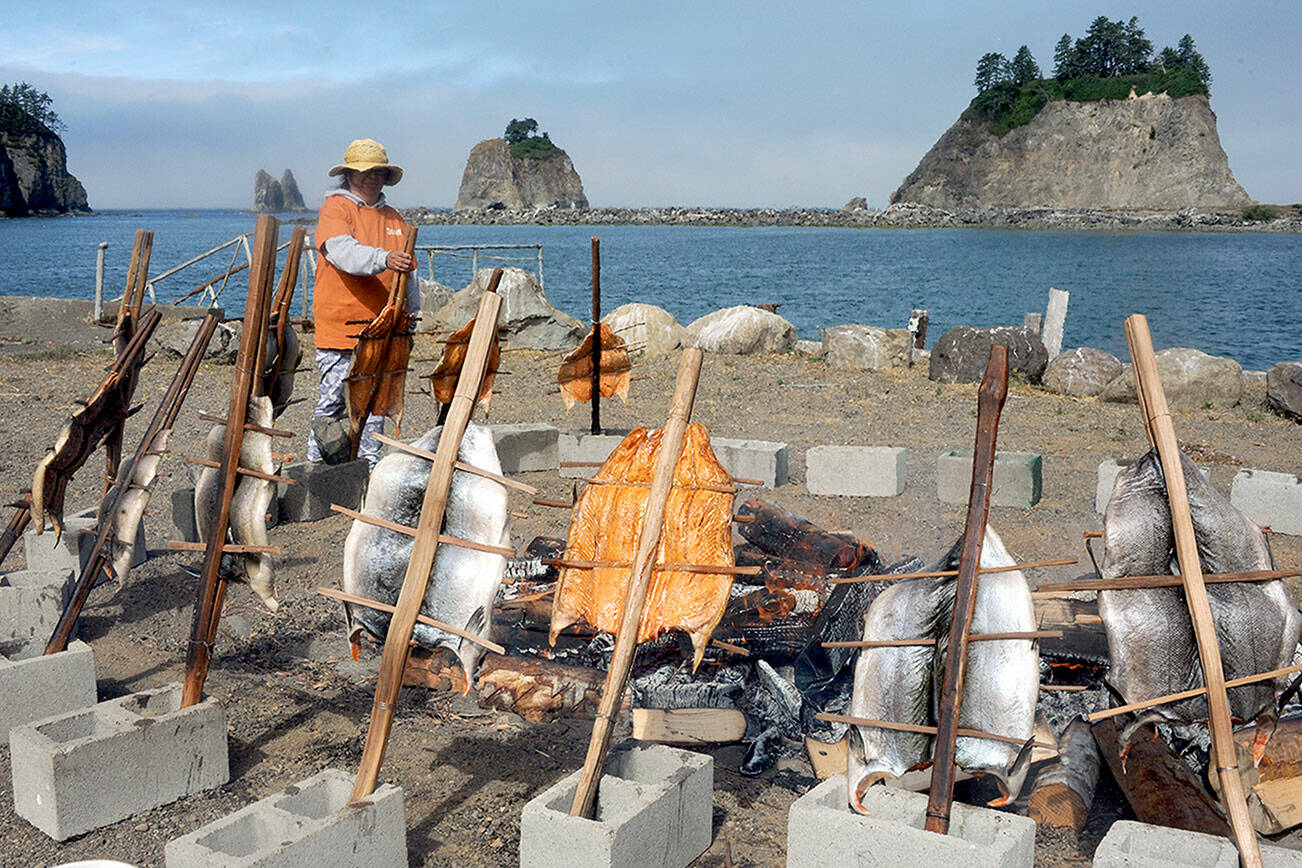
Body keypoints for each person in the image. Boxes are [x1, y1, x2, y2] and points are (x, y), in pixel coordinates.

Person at [307, 138, 418, 469]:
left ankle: (367, 469)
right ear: (349, 175)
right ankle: (316, 467)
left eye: (377, 172)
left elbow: (409, 273)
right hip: (340, 327)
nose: (371, 177)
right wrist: (384, 258)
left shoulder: (394, 218)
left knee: (376, 406)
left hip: (383, 330)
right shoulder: (336, 209)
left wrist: (410, 317)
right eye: (364, 172)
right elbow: (343, 253)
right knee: (333, 403)